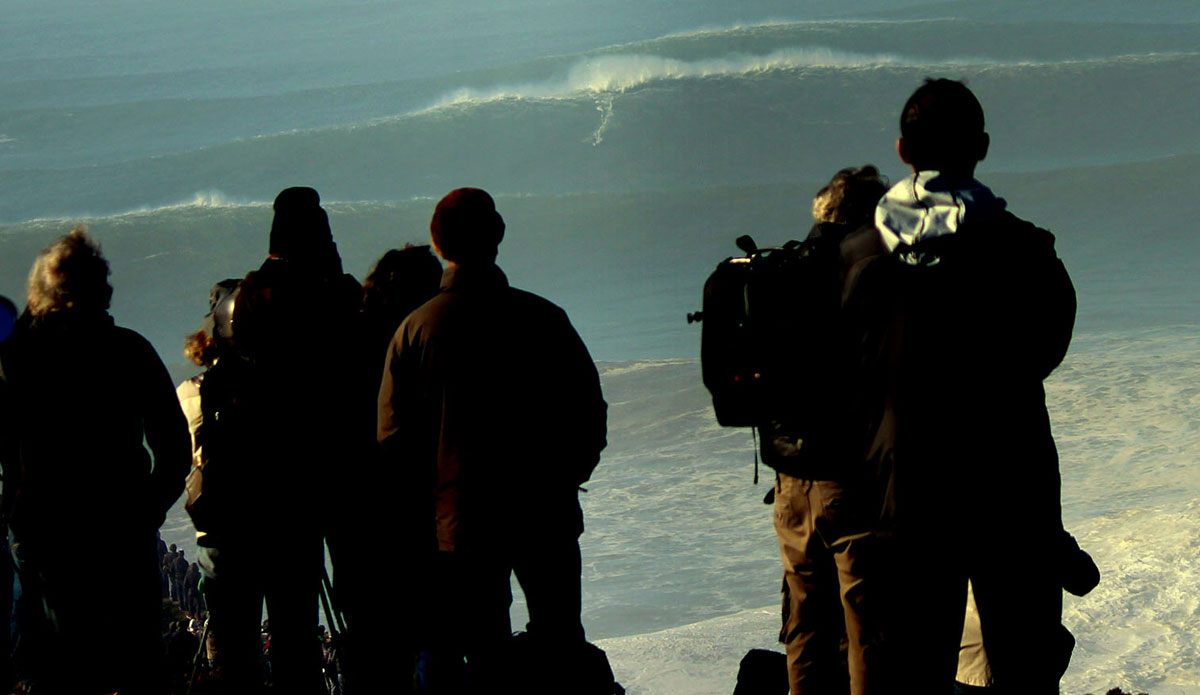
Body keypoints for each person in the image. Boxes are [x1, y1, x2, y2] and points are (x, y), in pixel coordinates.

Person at [843, 79, 1076, 692]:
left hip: (905, 488)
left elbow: (846, 375)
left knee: (915, 667)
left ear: (901, 149)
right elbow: (1045, 351)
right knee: (1024, 663)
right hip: (1011, 481)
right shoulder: (1027, 250)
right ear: (984, 147)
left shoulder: (858, 255)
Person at [378, 188, 607, 692]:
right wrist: (568, 475)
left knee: (485, 654)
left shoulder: (414, 330)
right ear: (498, 238)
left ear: (437, 247)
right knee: (562, 643)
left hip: (459, 524)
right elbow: (590, 413)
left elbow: (393, 442)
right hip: (545, 509)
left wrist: (429, 509)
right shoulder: (544, 318)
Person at [0, 227, 192, 694]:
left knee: (60, 671)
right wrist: (145, 511)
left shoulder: (19, 359)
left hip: (47, 537)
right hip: (121, 533)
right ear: (103, 290)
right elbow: (174, 450)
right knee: (137, 664)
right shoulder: (130, 350)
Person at [196, 187, 361, 694]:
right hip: (310, 477)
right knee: (296, 622)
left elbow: (218, 379)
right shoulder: (336, 294)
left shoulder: (243, 296)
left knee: (242, 632)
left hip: (246, 475)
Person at [763, 166, 889, 695]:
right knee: (869, 633)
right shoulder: (870, 271)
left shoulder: (780, 272)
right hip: (852, 479)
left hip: (790, 483)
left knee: (805, 629)